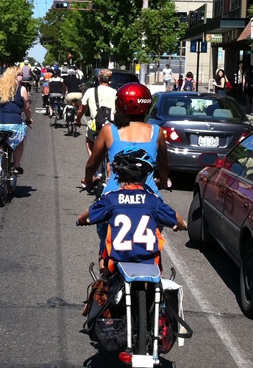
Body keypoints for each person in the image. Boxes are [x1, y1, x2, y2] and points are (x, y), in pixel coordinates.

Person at [81, 82, 171, 272]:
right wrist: (162, 180)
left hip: (115, 195)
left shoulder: (109, 131)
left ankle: (104, 281)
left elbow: (92, 163)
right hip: (148, 196)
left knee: (106, 246)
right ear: (147, 105)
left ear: (119, 104)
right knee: (152, 244)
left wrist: (88, 180)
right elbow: (164, 163)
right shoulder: (157, 132)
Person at [78, 148, 187, 277]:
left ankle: (103, 281)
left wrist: (81, 219)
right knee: (157, 276)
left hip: (118, 258)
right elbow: (176, 218)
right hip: (148, 259)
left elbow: (88, 212)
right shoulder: (152, 199)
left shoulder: (111, 198)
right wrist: (183, 225)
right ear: (144, 176)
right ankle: (159, 285)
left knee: (105, 251)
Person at [75, 69, 116, 157]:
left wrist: (78, 120)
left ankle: (93, 161)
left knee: (89, 140)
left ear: (99, 78)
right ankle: (109, 169)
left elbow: (81, 110)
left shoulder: (90, 91)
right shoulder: (115, 92)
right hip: (111, 126)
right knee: (110, 154)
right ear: (110, 79)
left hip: (96, 124)